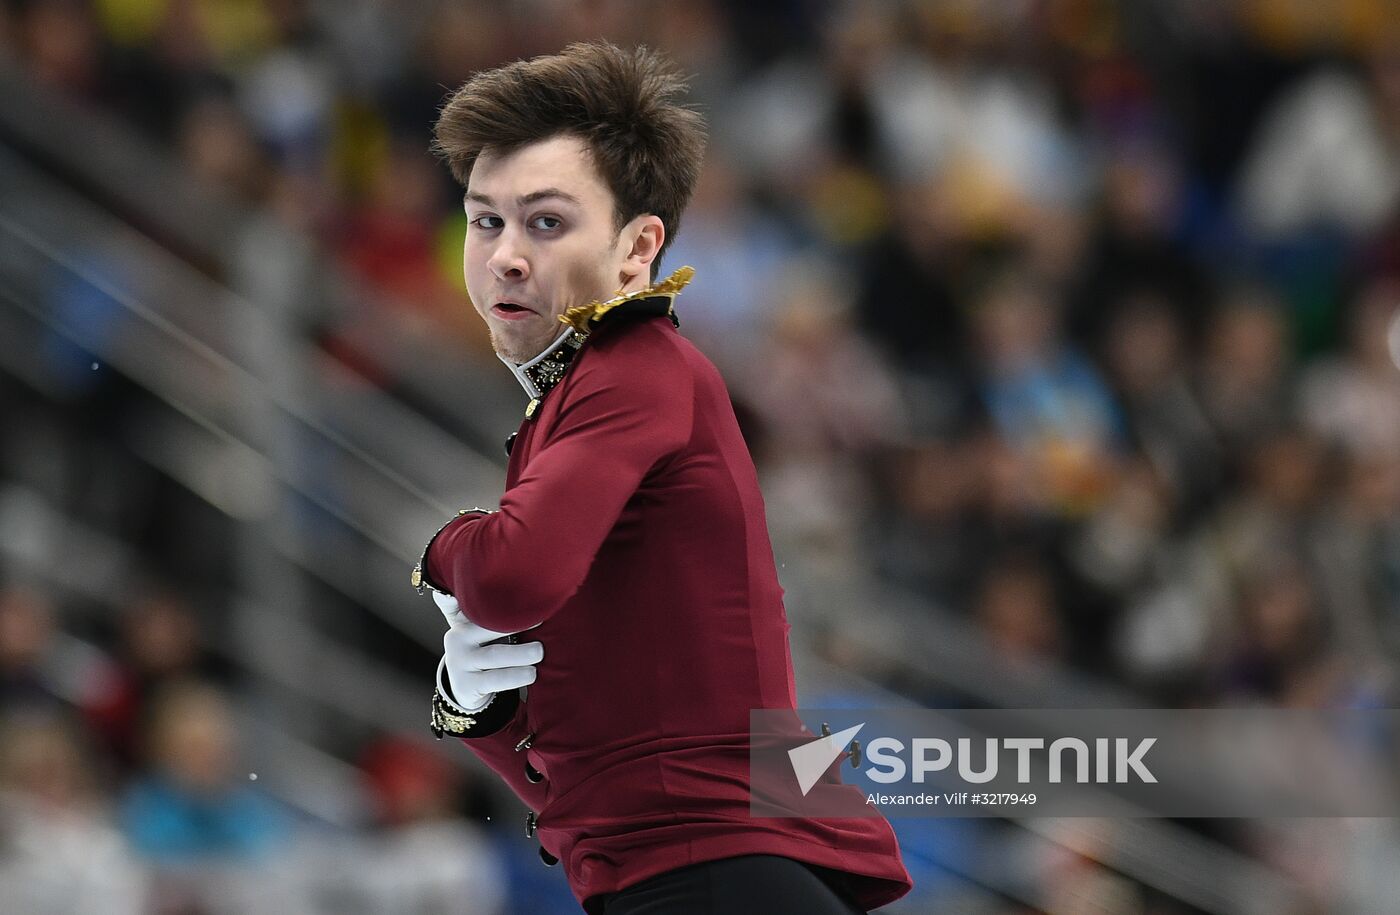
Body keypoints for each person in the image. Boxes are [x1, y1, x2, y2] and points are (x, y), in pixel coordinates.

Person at [411, 41, 912, 914]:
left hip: (714, 877)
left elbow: (508, 576)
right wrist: (473, 702)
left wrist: (444, 546)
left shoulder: (633, 369)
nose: (504, 256)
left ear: (639, 247)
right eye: (484, 219)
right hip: (691, 875)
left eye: (546, 221)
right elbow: (585, 779)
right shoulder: (580, 401)